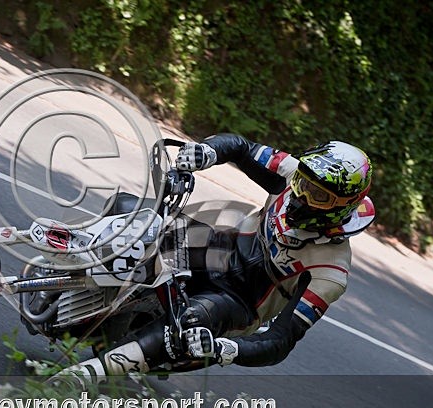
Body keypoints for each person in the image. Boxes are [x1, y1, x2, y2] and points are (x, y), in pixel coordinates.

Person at [67, 133, 375, 383]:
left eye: (317, 195)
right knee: (132, 210)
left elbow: (281, 341)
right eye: (304, 184)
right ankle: (67, 275)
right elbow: (242, 147)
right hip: (217, 249)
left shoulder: (331, 272)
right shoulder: (293, 173)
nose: (302, 195)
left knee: (189, 323)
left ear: (341, 206)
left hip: (240, 301)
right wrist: (206, 153)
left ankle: (82, 377)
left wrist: (226, 349)